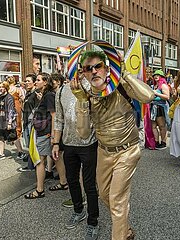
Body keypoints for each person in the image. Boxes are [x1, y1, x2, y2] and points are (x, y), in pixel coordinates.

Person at [71, 50, 154, 239]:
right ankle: (125, 230)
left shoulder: (121, 86)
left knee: (116, 200)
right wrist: (82, 101)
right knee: (104, 195)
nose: (93, 72)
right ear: (83, 73)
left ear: (107, 68)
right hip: (103, 152)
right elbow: (83, 134)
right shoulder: (84, 95)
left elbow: (148, 96)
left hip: (127, 151)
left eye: (97, 66)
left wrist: (124, 73)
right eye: (87, 68)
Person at [52, 81, 99, 239]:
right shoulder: (61, 91)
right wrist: (56, 143)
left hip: (89, 144)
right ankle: (78, 211)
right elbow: (59, 119)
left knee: (89, 184)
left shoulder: (93, 86)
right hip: (68, 144)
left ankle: (93, 222)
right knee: (72, 180)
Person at [24, 72, 67, 199]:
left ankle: (39, 190)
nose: (35, 82)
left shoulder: (48, 95)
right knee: (56, 157)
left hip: (46, 133)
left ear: (45, 82)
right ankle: (63, 182)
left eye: (38, 80)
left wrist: (54, 137)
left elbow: (54, 116)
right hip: (46, 132)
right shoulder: (46, 95)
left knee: (40, 161)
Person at [18, 74, 39, 172]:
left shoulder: (36, 94)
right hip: (26, 121)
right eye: (25, 81)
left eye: (28, 81)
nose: (26, 83)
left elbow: (37, 109)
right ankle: (32, 165)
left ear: (34, 82)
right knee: (28, 145)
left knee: (32, 145)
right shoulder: (28, 93)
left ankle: (33, 166)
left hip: (32, 122)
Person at [0, 81, 17, 160]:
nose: (0, 88)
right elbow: (0, 109)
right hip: (0, 120)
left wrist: (10, 122)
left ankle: (20, 152)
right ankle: (1, 154)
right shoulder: (0, 97)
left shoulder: (9, 97)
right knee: (0, 137)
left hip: (7, 120)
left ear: (6, 87)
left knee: (13, 137)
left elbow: (11, 110)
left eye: (2, 87)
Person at [7, 76, 27, 160]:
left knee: (10, 121)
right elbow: (22, 97)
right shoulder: (17, 89)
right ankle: (17, 136)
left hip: (9, 106)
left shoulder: (7, 89)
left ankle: (12, 137)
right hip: (16, 105)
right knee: (18, 122)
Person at [150, 70, 170, 150]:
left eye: (158, 75)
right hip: (153, 107)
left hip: (160, 107)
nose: (156, 76)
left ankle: (163, 142)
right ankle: (156, 142)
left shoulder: (163, 86)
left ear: (161, 77)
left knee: (162, 126)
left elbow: (167, 97)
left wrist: (156, 93)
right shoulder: (153, 86)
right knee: (153, 126)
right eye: (155, 75)